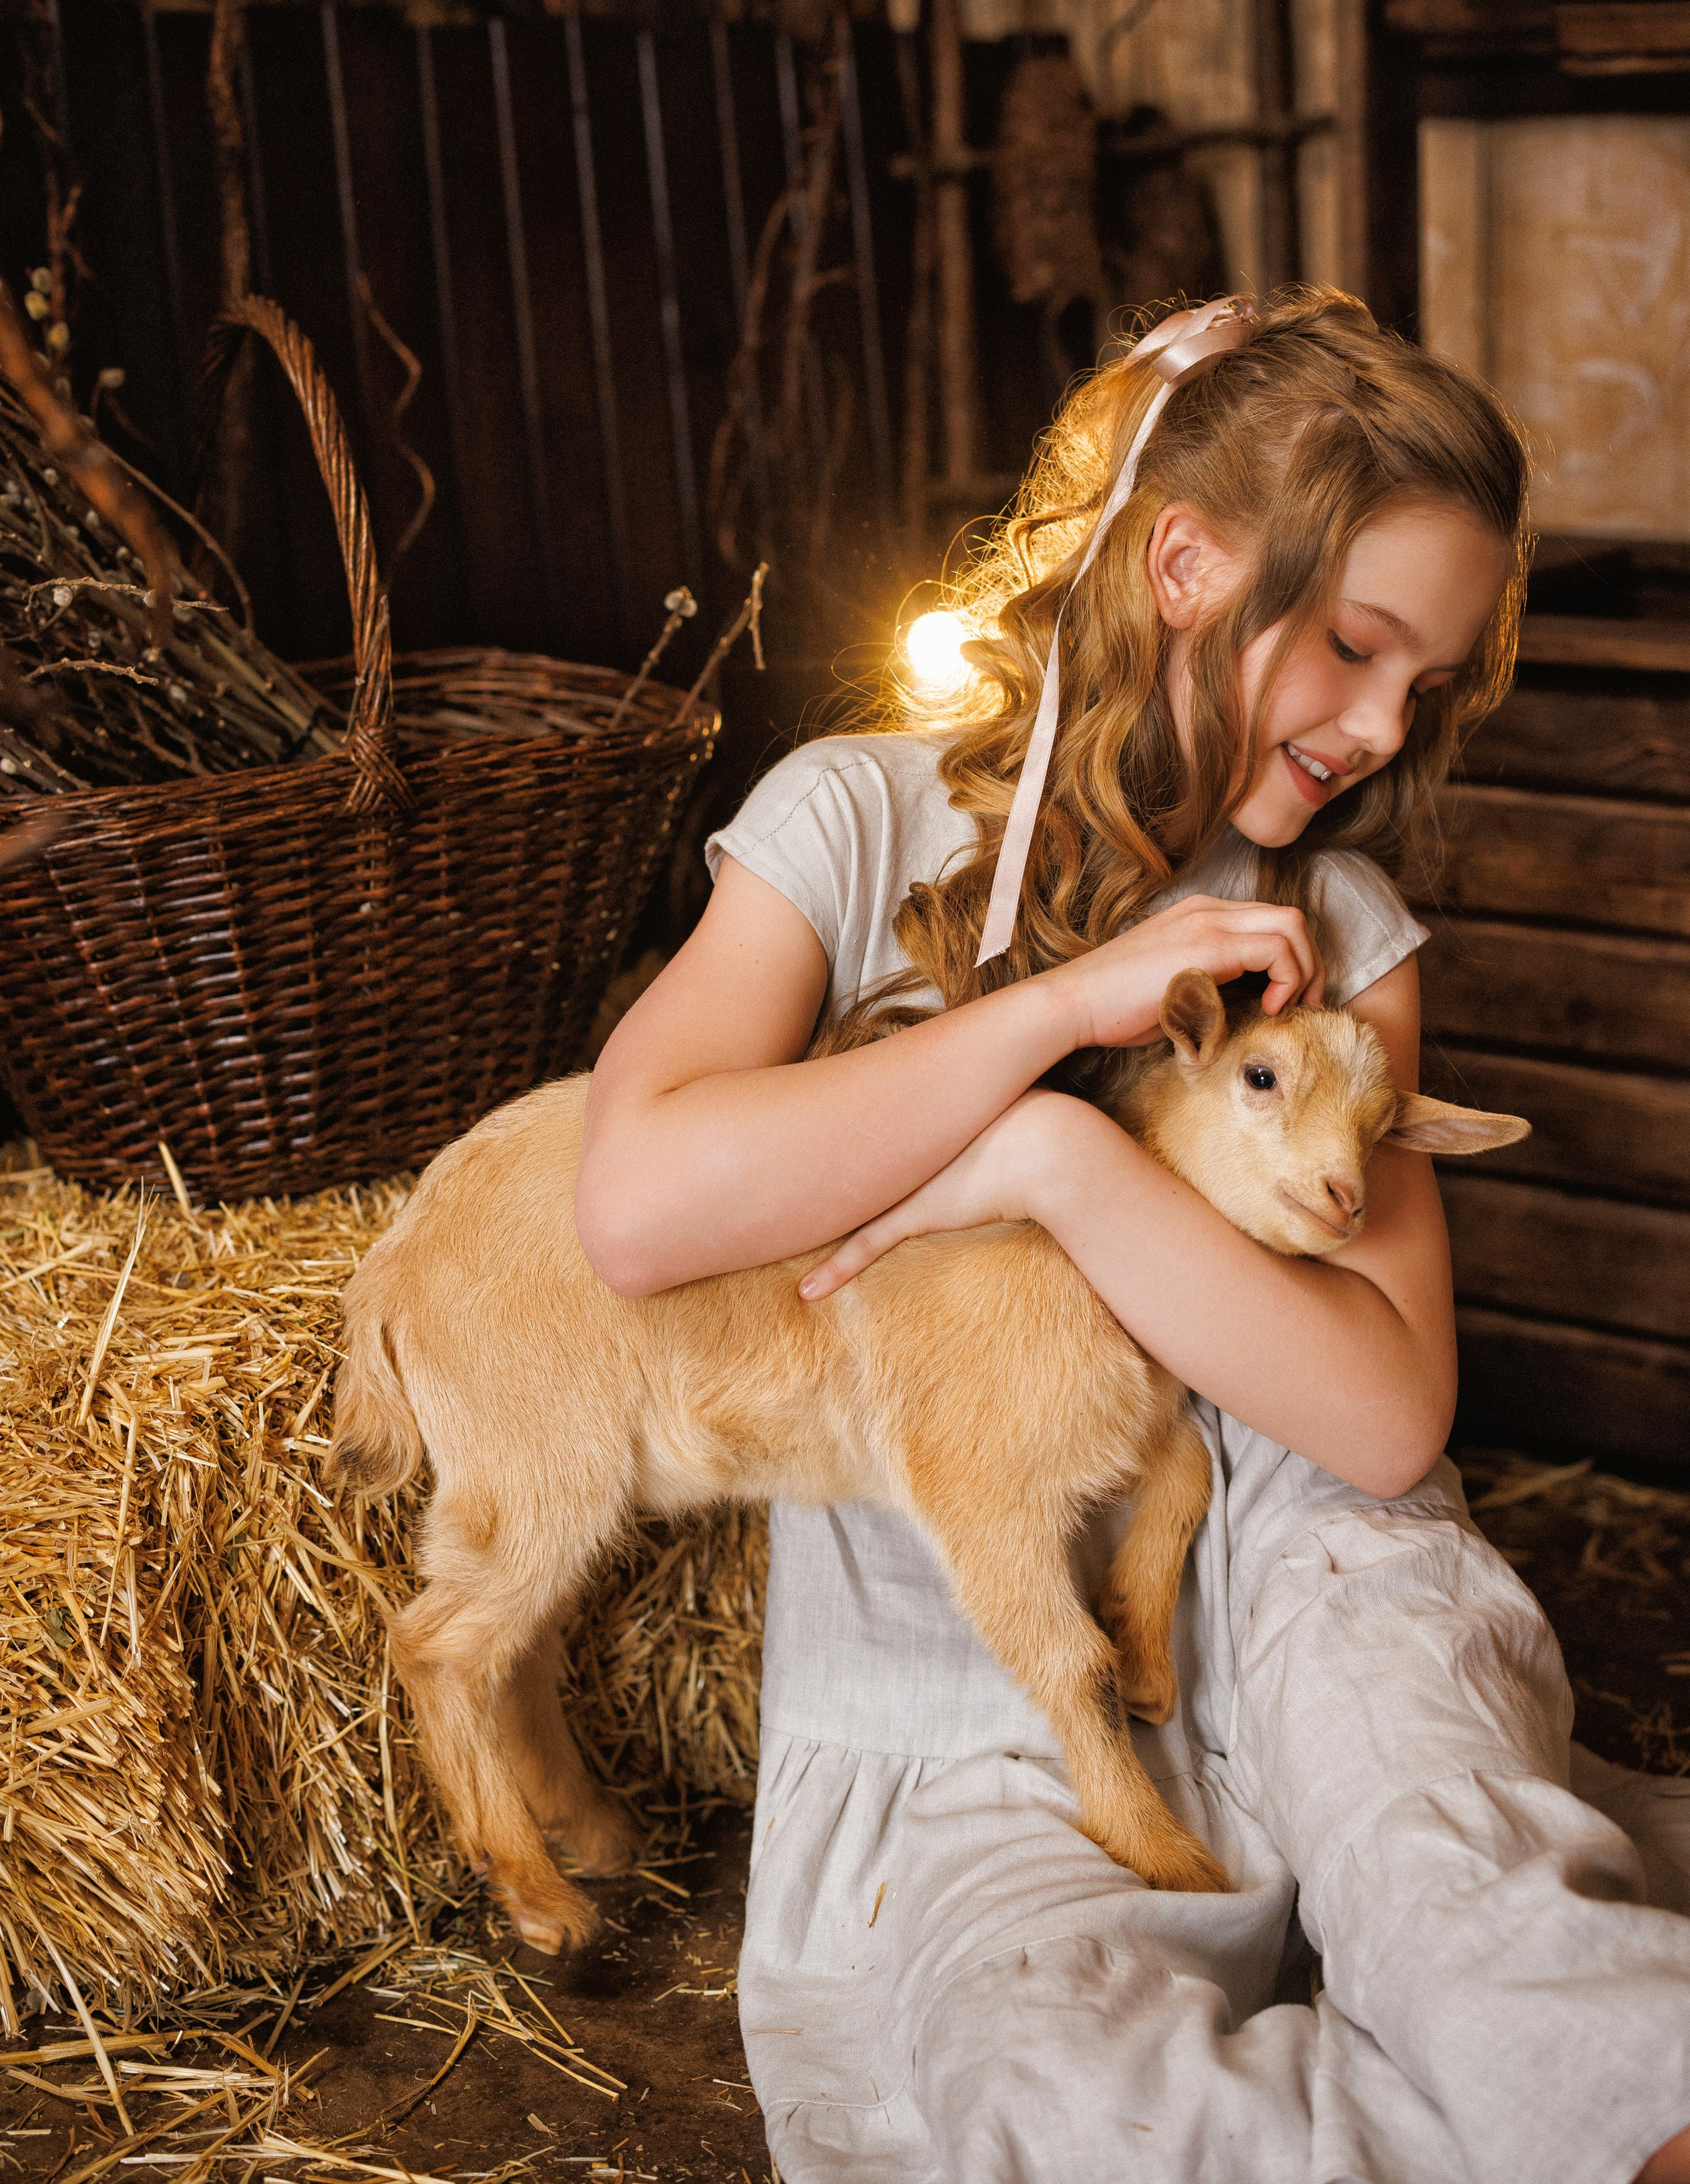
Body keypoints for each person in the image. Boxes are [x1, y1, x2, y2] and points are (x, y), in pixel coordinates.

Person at [576, 289, 1690, 2183]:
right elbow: (636, 1207)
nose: (1376, 724)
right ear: (1182, 562)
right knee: (1068, 2091)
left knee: (1478, 1909)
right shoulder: (854, 820)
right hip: (980, 1677)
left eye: (1422, 687)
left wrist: (1058, 1174)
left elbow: (1383, 1412)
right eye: (1351, 645)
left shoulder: (1326, 930)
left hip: (1319, 1580)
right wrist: (1042, 1034)